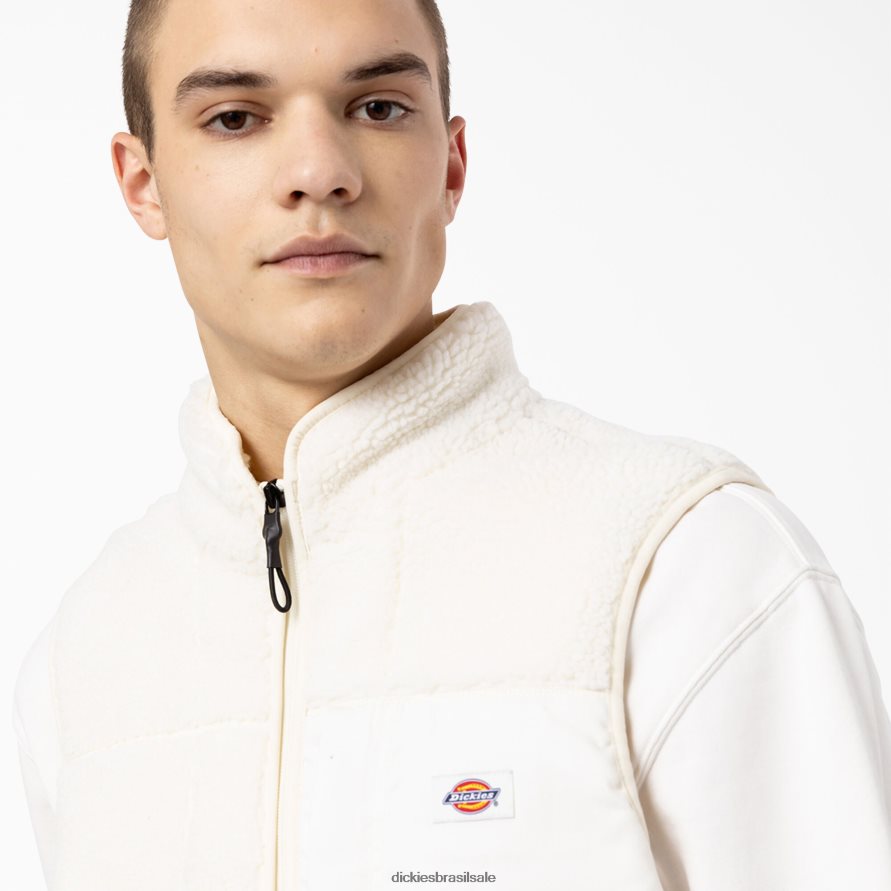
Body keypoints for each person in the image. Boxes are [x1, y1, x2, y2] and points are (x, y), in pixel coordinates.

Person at [12, 0, 891, 888]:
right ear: (143, 183)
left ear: (451, 165)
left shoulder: (684, 567)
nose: (319, 172)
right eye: (236, 118)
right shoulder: (85, 660)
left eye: (378, 107)